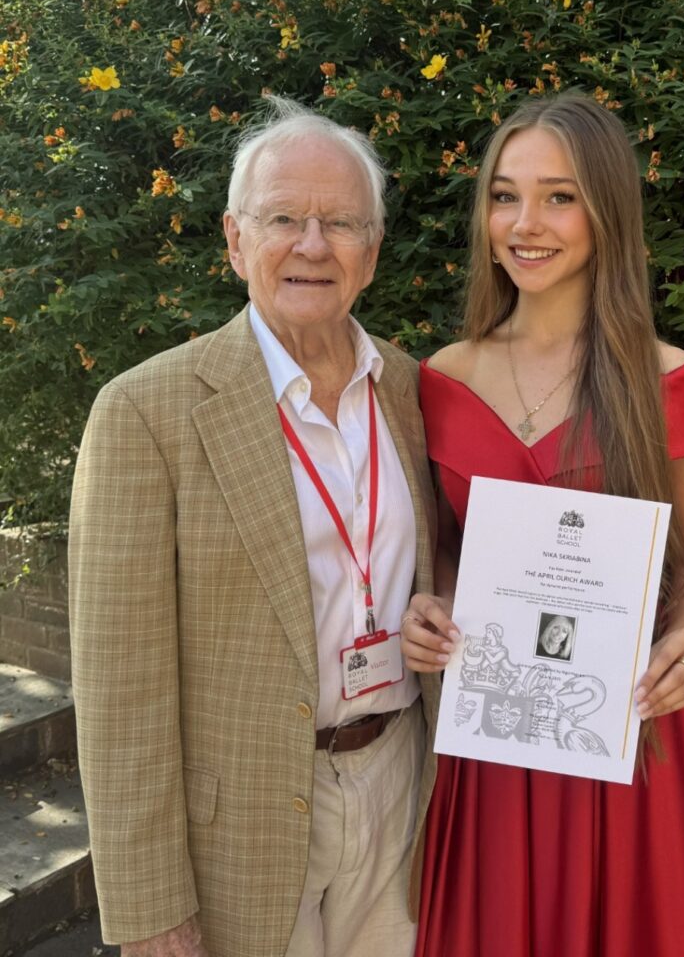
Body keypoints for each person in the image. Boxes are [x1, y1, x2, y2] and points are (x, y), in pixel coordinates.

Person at [69, 98, 439, 957]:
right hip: (240, 829)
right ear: (236, 241)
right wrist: (151, 909)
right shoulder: (144, 412)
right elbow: (120, 693)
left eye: (340, 222)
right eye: (283, 219)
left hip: (401, 790)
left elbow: (446, 569)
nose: (313, 245)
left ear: (372, 253)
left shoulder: (417, 395)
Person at [400, 95, 684, 956]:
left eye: (558, 196)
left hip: (625, 728)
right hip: (496, 736)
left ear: (605, 211)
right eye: (503, 195)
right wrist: (428, 606)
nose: (525, 223)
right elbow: (448, 544)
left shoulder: (665, 379)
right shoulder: (439, 378)